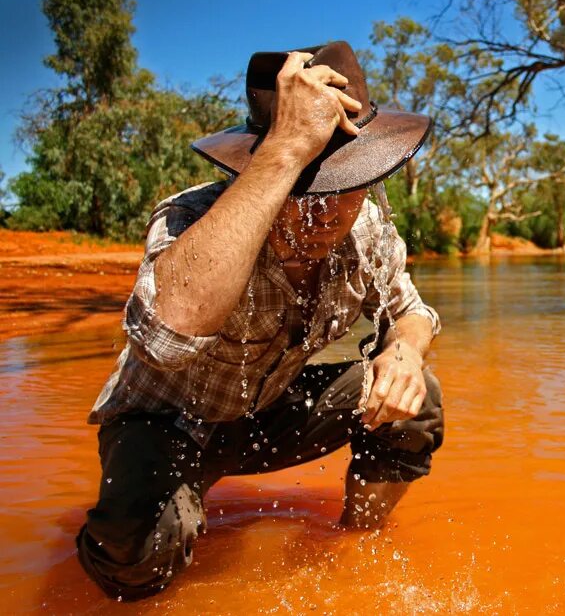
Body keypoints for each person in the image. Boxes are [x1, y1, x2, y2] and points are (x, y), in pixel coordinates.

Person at [75, 42, 443, 601]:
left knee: (419, 401)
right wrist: (286, 152)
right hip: (168, 424)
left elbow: (413, 312)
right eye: (305, 187)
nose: (322, 211)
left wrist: (405, 351)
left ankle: (355, 546)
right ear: (255, 165)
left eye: (344, 185)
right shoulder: (192, 217)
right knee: (134, 550)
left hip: (270, 411)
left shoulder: (367, 226)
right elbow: (166, 339)